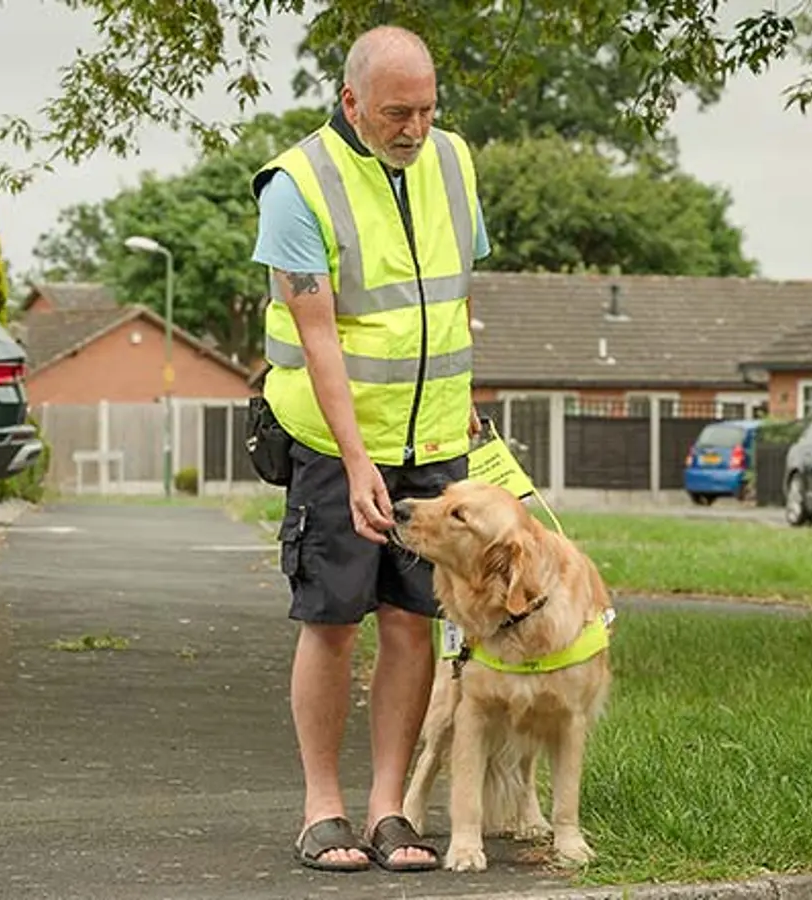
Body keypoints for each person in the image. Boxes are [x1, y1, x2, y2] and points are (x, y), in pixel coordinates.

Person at [249, 24, 492, 873]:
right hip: (332, 443)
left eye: (427, 109)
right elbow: (318, 339)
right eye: (397, 112)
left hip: (432, 439)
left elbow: (457, 298)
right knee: (332, 621)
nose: (415, 129)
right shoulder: (297, 187)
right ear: (351, 100)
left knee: (413, 620)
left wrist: (466, 400)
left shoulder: (455, 163)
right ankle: (324, 810)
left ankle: (390, 811)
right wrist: (356, 462)